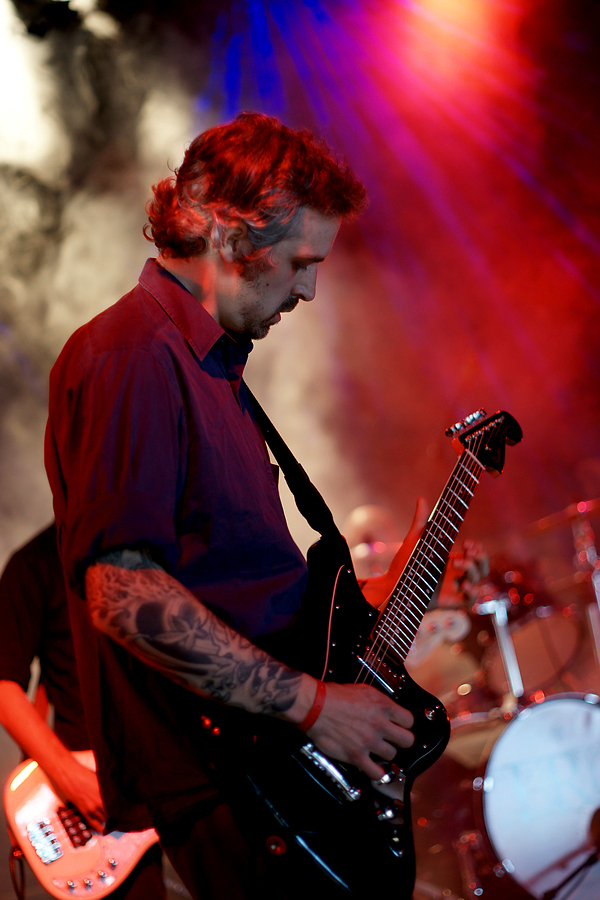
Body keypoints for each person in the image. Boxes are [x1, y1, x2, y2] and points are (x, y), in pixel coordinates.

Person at [44, 112, 435, 899]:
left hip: (267, 779)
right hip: (222, 788)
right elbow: (122, 592)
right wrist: (317, 706)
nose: (309, 287)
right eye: (298, 261)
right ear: (228, 236)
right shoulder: (131, 355)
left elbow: (235, 591)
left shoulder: (213, 369)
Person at [0, 523, 165, 899]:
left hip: (176, 781)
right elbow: (7, 686)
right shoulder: (36, 562)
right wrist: (66, 776)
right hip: (99, 809)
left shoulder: (164, 548)